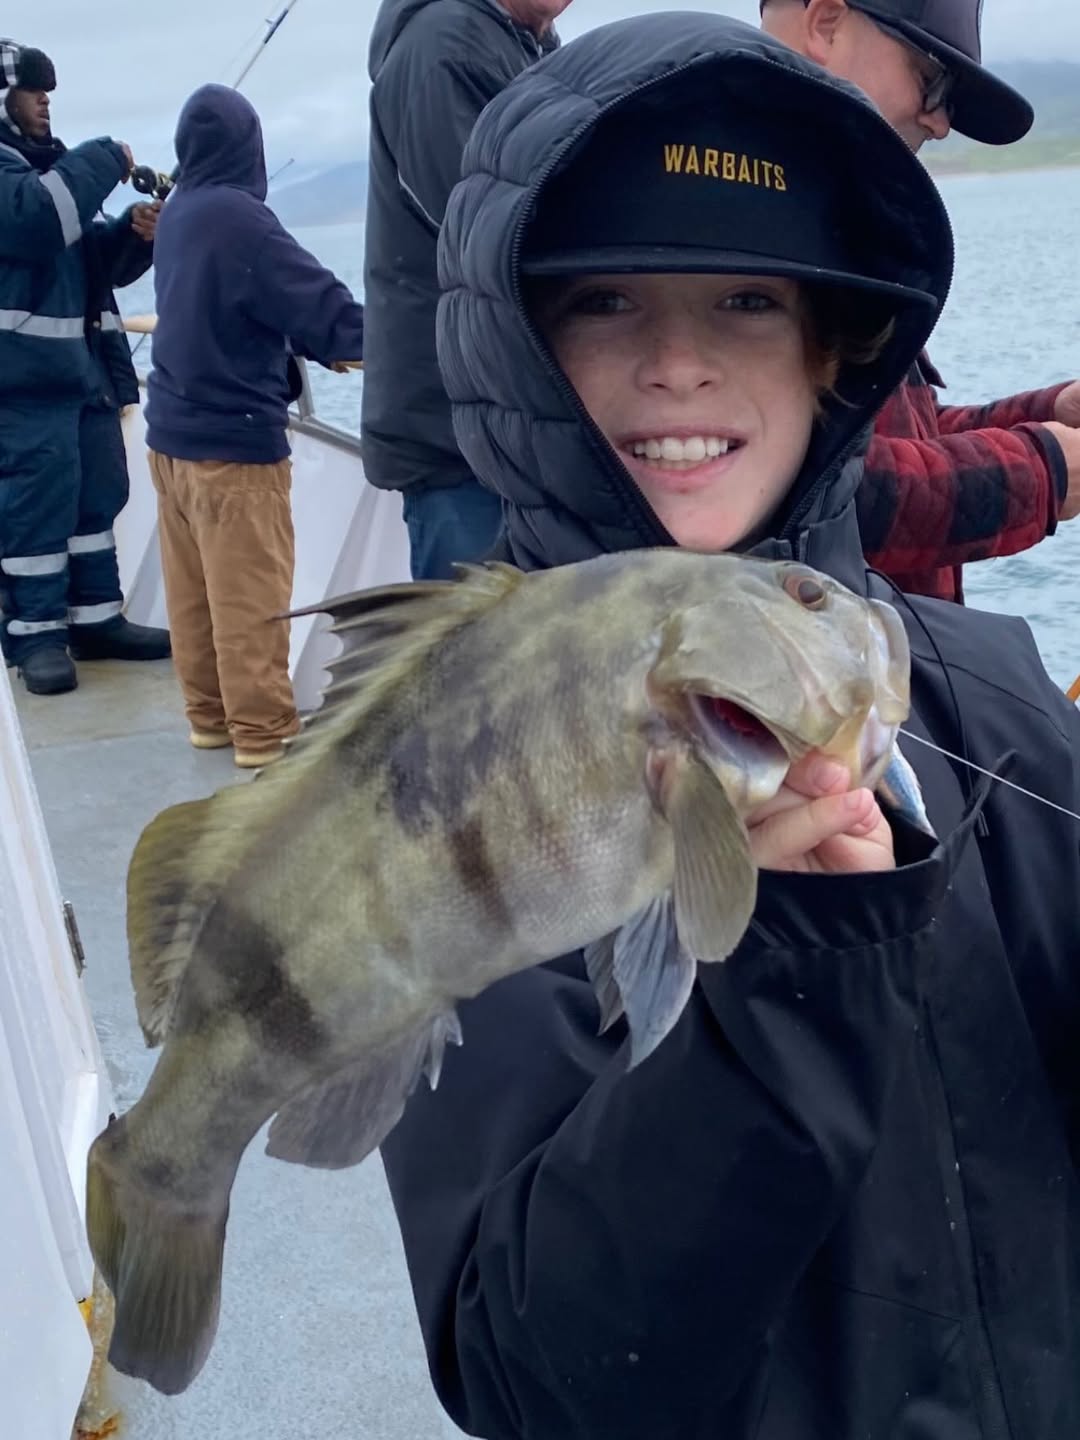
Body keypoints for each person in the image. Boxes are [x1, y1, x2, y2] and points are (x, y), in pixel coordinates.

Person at [378, 14, 1080, 1438]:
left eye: (750, 301)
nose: (680, 364)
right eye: (602, 300)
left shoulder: (998, 694)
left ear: (836, 347)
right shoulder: (446, 786)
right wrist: (776, 987)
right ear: (513, 339)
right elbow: (538, 1381)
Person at [759, 0, 1080, 602]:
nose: (939, 124)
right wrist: (1045, 470)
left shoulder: (825, 216)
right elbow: (811, 494)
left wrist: (1049, 412)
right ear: (826, 23)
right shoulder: (732, 216)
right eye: (932, 81)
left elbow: (895, 442)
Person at [145, 84, 365, 769]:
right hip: (232, 450)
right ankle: (265, 737)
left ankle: (209, 719)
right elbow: (326, 311)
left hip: (171, 440)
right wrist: (389, 337)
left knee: (195, 598)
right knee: (250, 601)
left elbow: (231, 307)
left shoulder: (179, 211)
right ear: (251, 147)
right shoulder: (242, 219)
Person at [362, 0, 572, 580]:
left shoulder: (525, 47)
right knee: (467, 654)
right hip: (459, 437)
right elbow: (486, 230)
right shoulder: (443, 44)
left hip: (514, 429)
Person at [0, 38, 171, 696]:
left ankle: (98, 619)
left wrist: (129, 233)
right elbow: (34, 224)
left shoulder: (41, 168)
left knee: (94, 498)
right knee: (34, 509)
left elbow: (82, 265)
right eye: (33, 91)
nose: (45, 101)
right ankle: (34, 636)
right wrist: (104, 157)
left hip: (78, 376)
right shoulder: (22, 178)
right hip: (20, 385)